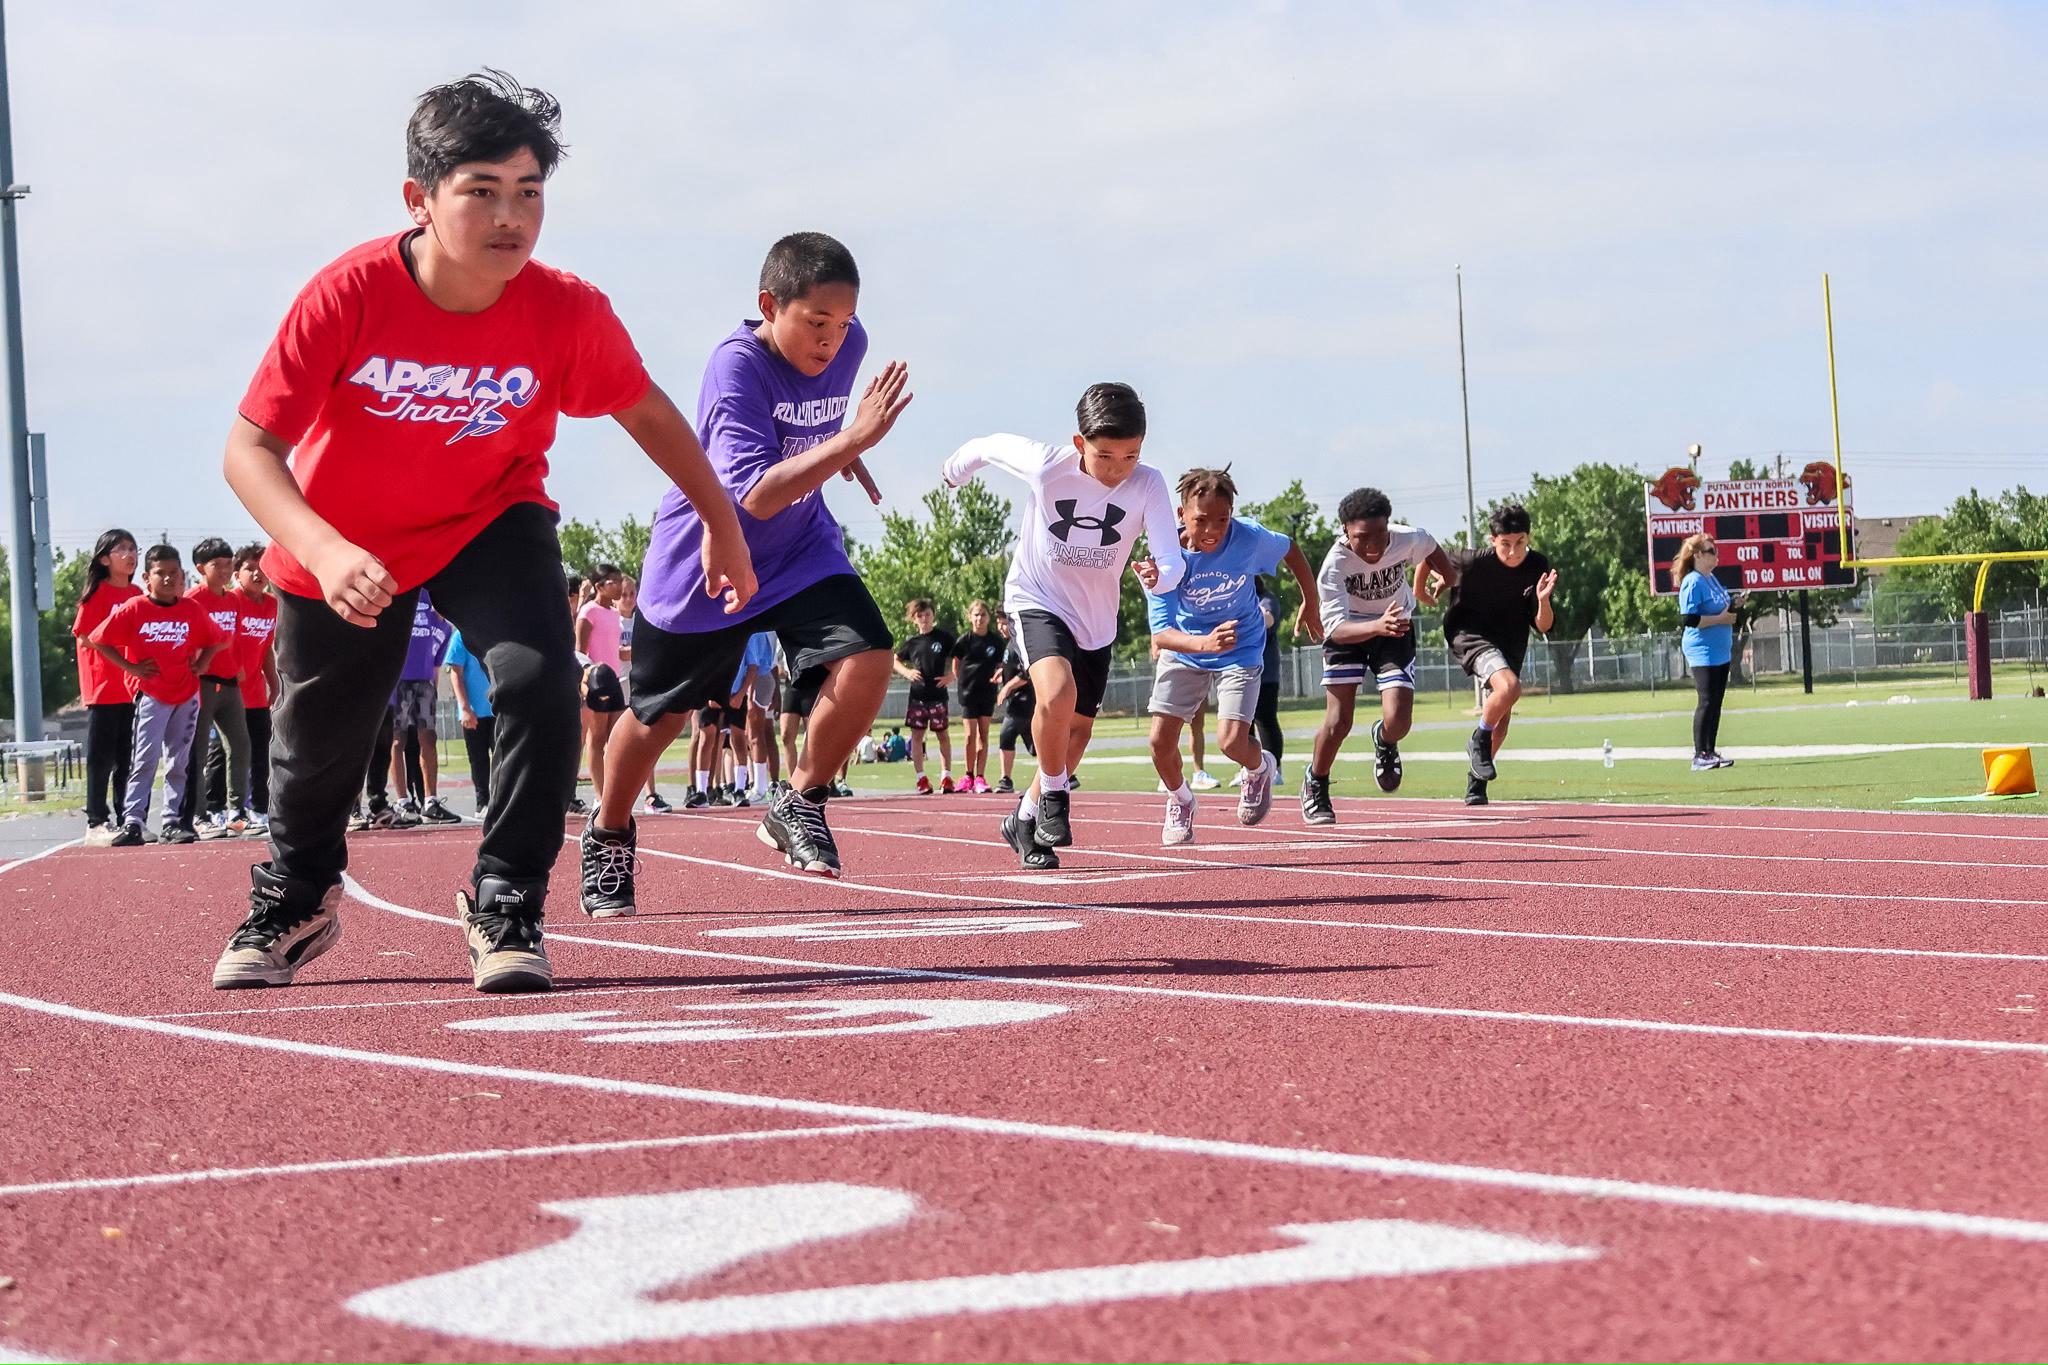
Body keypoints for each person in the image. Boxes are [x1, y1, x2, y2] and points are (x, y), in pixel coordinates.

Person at [208, 71, 753, 994]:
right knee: (316, 756)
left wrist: (720, 516)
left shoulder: (565, 311)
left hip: (490, 518)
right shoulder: (346, 296)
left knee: (541, 684)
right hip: (345, 542)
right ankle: (298, 895)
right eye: (484, 192)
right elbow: (249, 450)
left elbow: (649, 411)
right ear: (419, 200)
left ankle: (507, 898)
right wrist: (326, 547)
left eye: (530, 192)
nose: (512, 217)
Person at [584, 230, 906, 914]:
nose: (830, 340)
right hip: (711, 557)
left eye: (841, 324)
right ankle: (609, 830)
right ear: (769, 304)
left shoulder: (852, 346)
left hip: (797, 549)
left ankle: (800, 798)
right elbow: (754, 493)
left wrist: (831, 449)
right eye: (815, 323)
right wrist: (850, 439)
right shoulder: (734, 367)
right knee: (658, 720)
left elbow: (800, 432)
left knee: (871, 655)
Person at [942, 382, 1184, 869]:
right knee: (1056, 693)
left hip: (1096, 618)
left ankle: (1024, 817)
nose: (1118, 469)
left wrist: (1160, 578)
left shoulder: (1149, 483)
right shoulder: (1046, 464)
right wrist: (953, 473)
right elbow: (985, 447)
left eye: (1131, 455)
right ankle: (1055, 793)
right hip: (1037, 598)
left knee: (1077, 734)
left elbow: (1171, 561)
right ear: (1079, 444)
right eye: (1105, 456)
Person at [1145, 466, 1322, 845]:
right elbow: (1161, 633)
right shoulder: (1164, 558)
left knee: (1230, 742)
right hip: (1188, 647)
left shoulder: (1247, 537)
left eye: (1221, 520)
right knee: (1160, 742)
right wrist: (1204, 643)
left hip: (1240, 647)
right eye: (1201, 520)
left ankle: (1258, 769)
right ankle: (1180, 799)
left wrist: (1311, 600)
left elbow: (1290, 547)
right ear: (1181, 516)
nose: (1212, 530)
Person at [1300, 488, 1455, 824]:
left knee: (1399, 719)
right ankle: (1317, 782)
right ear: (1345, 531)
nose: (1372, 546)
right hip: (1350, 634)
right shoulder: (1334, 566)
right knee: (1339, 720)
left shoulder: (1407, 539)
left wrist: (1445, 578)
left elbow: (1434, 551)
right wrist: (1376, 624)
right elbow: (1336, 629)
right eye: (1361, 538)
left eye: (1379, 535)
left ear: (1389, 526)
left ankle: (1384, 740)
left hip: (1394, 628)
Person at [86, 545, 231, 846]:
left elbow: (218, 638)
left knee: (179, 761)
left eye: (174, 574)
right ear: (147, 578)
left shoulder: (191, 609)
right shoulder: (135, 608)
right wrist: (131, 667)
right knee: (145, 759)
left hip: (187, 694)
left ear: (182, 577)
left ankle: (172, 822)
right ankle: (133, 821)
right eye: (160, 574)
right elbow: (97, 639)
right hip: (152, 694)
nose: (168, 579)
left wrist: (202, 662)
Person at [1432, 503, 1556, 806]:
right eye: (1505, 544)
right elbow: (1427, 553)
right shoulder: (1473, 561)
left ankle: (1477, 777)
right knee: (1510, 687)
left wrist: (1543, 600)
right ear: (1493, 541)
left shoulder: (1538, 565)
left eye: (1520, 543)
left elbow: (1544, 624)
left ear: (1528, 538)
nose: (1513, 551)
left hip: (1511, 641)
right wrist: (1428, 586)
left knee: (1502, 718)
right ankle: (1478, 739)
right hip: (1471, 635)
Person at [203, 545, 280, 834]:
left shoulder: (272, 605)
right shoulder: (231, 601)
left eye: (262, 568)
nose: (258, 573)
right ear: (237, 575)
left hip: (256, 694)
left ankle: (258, 809)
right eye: (250, 568)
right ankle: (215, 809)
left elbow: (267, 650)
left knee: (259, 752)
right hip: (226, 691)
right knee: (221, 754)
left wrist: (274, 683)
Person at [180, 537, 254, 839]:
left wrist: (237, 666)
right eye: (217, 565)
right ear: (200, 568)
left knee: (240, 744)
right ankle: (199, 814)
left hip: (230, 682)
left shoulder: (233, 599)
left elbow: (232, 638)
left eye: (228, 565)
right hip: (203, 682)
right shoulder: (192, 599)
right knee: (198, 749)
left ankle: (236, 811)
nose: (225, 571)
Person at [72, 529, 141, 845]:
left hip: (133, 689)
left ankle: (127, 820)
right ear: (104, 558)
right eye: (121, 549)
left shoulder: (139, 593)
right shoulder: (96, 595)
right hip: (103, 689)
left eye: (133, 548)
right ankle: (95, 821)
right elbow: (86, 636)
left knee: (129, 758)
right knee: (101, 758)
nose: (130, 555)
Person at [389, 590, 459, 824]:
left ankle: (430, 800)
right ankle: (401, 800)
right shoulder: (403, 592)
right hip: (398, 680)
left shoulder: (436, 604)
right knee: (397, 739)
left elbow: (438, 661)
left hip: (424, 681)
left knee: (428, 738)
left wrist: (433, 687)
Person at [1675, 532, 1742, 771]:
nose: (1716, 556)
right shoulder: (1693, 581)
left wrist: (1734, 605)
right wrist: (1720, 618)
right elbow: (1689, 619)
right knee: (1706, 700)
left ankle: (1710, 751)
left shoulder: (1711, 578)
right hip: (1702, 649)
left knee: (1716, 702)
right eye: (1711, 551)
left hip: (1720, 649)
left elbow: (1721, 608)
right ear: (1699, 555)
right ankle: (1699, 754)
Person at [576, 564, 628, 808]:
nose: (619, 586)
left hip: (615, 679)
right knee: (596, 739)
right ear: (599, 586)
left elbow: (614, 650)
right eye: (613, 582)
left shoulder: (615, 613)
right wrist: (586, 682)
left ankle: (612, 793)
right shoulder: (589, 612)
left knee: (616, 740)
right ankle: (600, 796)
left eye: (619, 581)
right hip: (597, 682)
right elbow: (579, 652)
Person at [893, 598, 956, 794]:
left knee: (942, 734)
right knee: (917, 736)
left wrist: (952, 676)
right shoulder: (912, 642)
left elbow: (959, 656)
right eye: (920, 616)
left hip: (938, 695)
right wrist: (907, 672)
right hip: (918, 696)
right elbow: (894, 660)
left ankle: (946, 776)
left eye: (927, 614)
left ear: (933, 615)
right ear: (914, 619)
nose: (924, 618)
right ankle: (921, 778)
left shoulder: (944, 638)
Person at [950, 599, 1005, 793]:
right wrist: (962, 681)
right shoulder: (964, 640)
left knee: (983, 734)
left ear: (988, 618)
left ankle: (980, 777)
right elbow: (955, 664)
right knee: (969, 735)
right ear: (970, 617)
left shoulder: (996, 642)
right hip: (968, 693)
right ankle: (968, 775)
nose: (979, 618)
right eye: (976, 615)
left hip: (987, 692)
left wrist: (999, 674)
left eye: (983, 615)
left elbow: (1000, 665)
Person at [444, 627, 495, 816]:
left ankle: (502, 801)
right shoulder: (461, 635)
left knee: (503, 759)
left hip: (498, 710)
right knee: (479, 760)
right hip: (474, 712)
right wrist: (465, 707)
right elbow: (455, 671)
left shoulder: (498, 630)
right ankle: (483, 802)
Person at [993, 612, 1033, 794]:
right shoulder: (1010, 644)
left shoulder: (1020, 642)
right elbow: (1013, 667)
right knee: (1035, 744)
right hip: (1016, 701)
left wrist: (1007, 687)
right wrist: (1002, 674)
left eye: (1005, 623)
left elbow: (1027, 672)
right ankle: (1065, 774)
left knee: (1006, 735)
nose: (1002, 628)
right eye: (999, 624)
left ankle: (1005, 779)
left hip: (1023, 699)